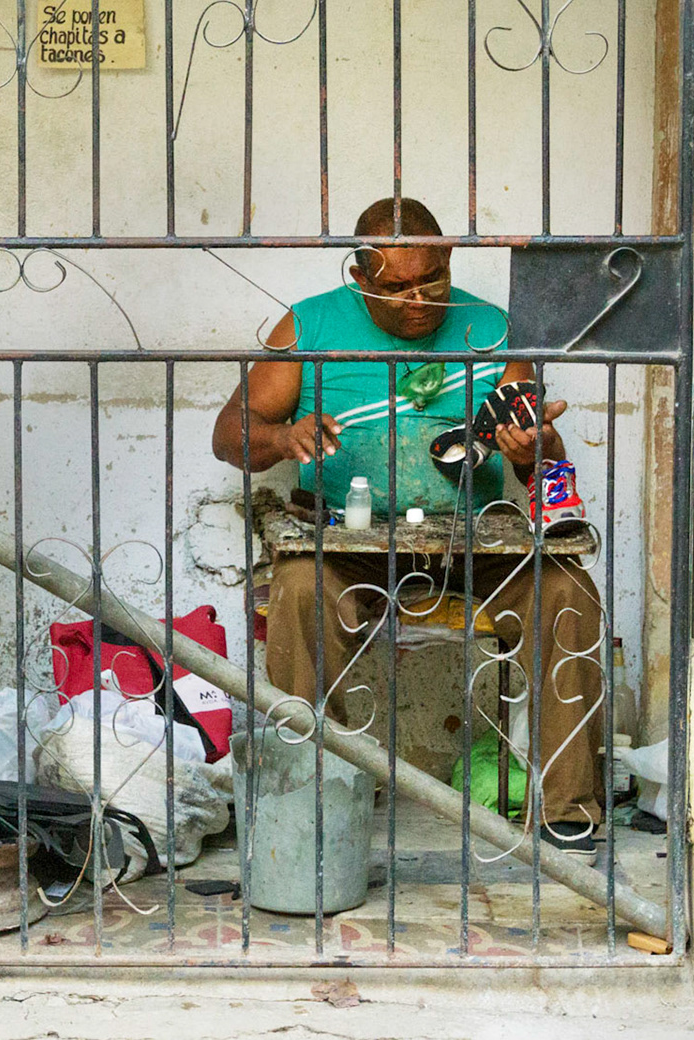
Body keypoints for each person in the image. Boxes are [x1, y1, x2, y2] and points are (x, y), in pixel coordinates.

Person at [210, 197, 606, 857]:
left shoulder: (490, 329)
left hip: (471, 544)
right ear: (360, 277)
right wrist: (283, 436)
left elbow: (547, 459)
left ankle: (569, 810)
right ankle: (314, 794)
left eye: (432, 282)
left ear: (449, 259)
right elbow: (230, 435)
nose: (417, 301)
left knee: (568, 591)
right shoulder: (309, 327)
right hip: (348, 543)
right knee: (300, 589)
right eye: (395, 288)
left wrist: (533, 447)